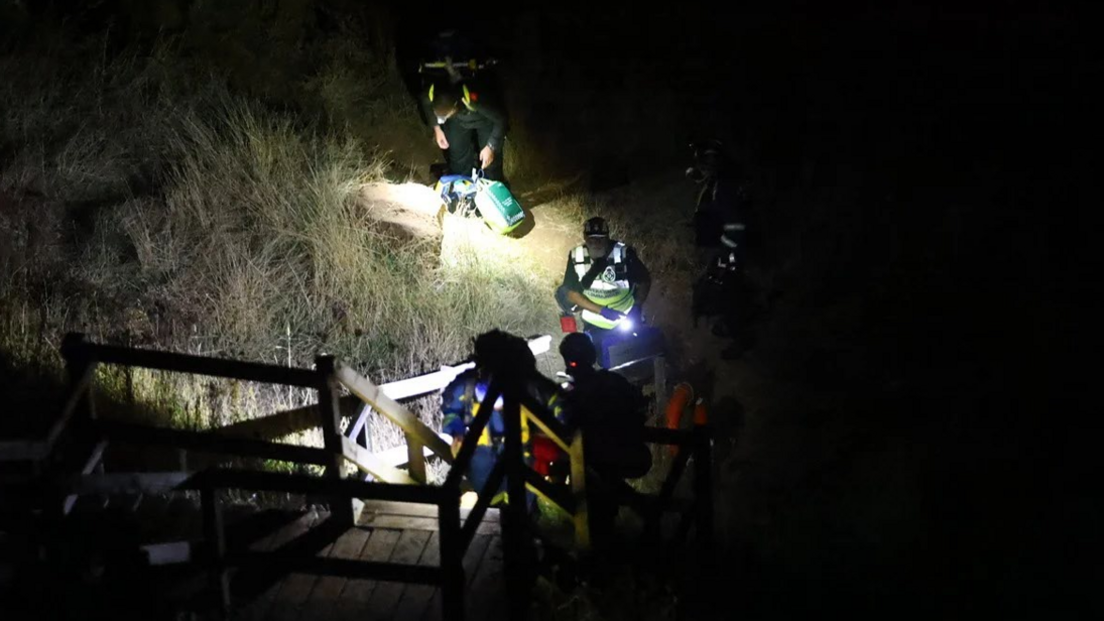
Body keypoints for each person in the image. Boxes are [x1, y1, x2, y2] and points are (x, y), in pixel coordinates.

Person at [440, 330, 568, 506]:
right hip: (481, 453)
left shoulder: (532, 385)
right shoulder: (467, 386)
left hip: (524, 451)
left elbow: (559, 409)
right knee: (491, 501)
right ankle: (499, 521)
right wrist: (457, 431)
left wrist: (554, 438)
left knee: (523, 500)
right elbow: (451, 412)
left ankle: (522, 525)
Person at [558, 332, 652, 548]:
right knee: (602, 482)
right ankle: (638, 513)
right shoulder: (613, 381)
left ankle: (604, 550)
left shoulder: (573, 398)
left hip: (602, 464)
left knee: (592, 483)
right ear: (592, 356)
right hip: (634, 455)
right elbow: (638, 404)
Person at [555, 217, 652, 355]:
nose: (596, 243)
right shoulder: (576, 256)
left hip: (624, 319)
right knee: (599, 357)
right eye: (592, 238)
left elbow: (644, 280)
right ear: (584, 237)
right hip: (593, 322)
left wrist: (637, 306)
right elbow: (571, 293)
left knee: (631, 354)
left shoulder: (623, 254)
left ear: (607, 237)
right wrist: (601, 311)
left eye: (601, 238)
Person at [421, 79, 508, 182]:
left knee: (489, 160)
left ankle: (491, 185)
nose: (441, 121)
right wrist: (437, 129)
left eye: (444, 118)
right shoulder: (432, 94)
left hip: (485, 120)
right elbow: (425, 102)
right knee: (458, 156)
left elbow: (501, 119)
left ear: (454, 107)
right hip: (457, 120)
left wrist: (491, 146)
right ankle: (462, 185)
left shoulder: (476, 99)